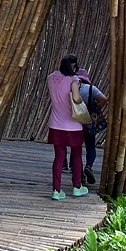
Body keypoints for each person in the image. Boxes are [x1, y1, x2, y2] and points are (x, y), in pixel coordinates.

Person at [46, 54, 88, 200]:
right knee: (76, 155)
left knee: (58, 157)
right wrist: (81, 100)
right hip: (73, 125)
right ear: (74, 66)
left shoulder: (51, 78)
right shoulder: (73, 79)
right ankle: (77, 187)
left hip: (56, 124)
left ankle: (56, 190)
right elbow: (76, 98)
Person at [77, 69, 108, 185]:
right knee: (91, 147)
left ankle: (79, 174)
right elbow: (104, 99)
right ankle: (89, 166)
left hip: (75, 124)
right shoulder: (91, 89)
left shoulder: (72, 88)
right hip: (89, 123)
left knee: (77, 150)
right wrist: (96, 107)